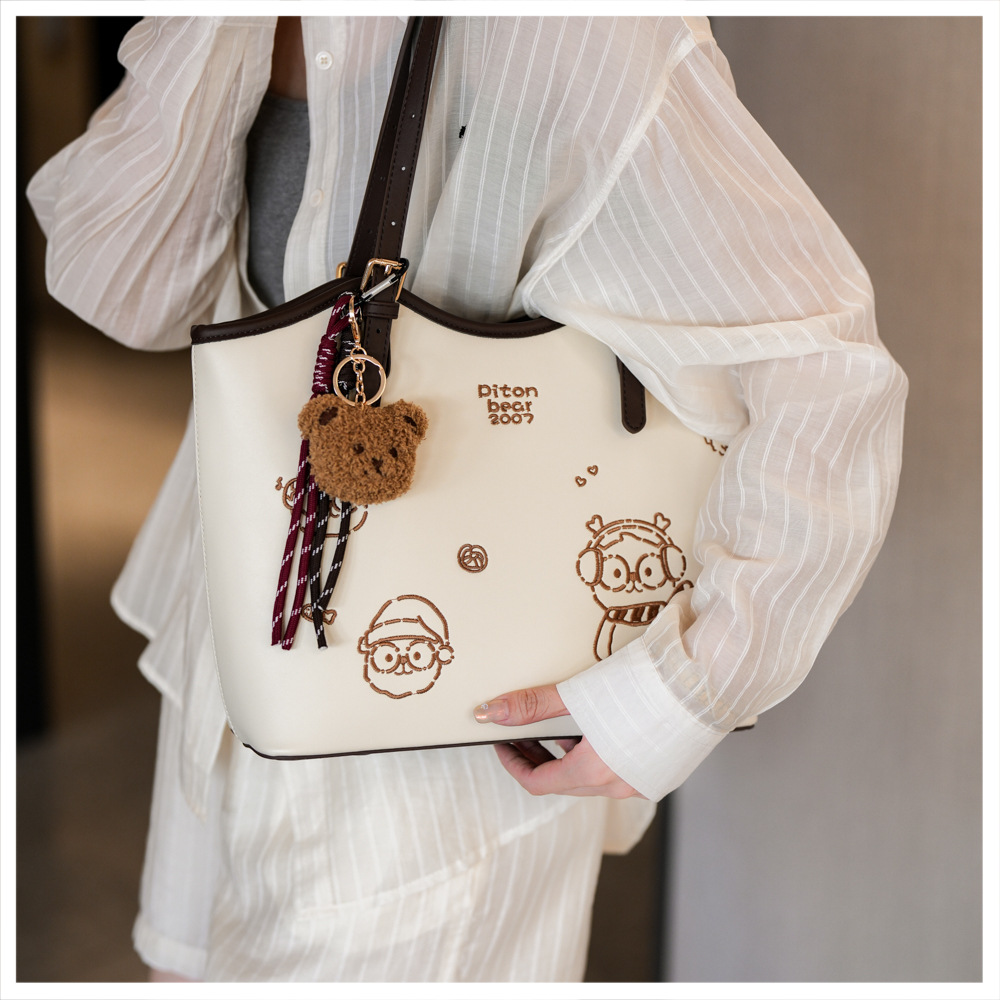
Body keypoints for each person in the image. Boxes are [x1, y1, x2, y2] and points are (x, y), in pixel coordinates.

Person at [27, 15, 907, 982]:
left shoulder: (577, 31)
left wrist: (678, 697)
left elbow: (825, 373)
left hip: (433, 778)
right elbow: (121, 281)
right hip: (233, 667)